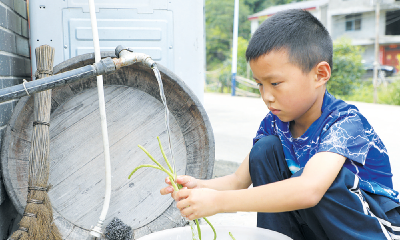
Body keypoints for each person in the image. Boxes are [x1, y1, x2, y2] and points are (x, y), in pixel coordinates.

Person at [160, 9, 400, 240]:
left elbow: (309, 190)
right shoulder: (275, 123)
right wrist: (199, 187)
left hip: (373, 229)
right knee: (264, 150)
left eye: (275, 83)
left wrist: (218, 203)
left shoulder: (344, 122)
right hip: (320, 227)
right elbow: (237, 181)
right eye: (260, 85)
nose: (266, 96)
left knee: (322, 179)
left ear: (320, 74)